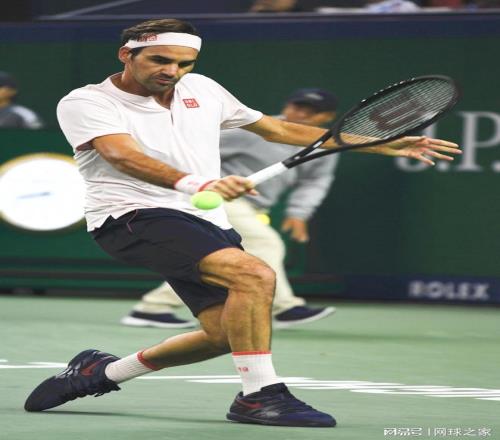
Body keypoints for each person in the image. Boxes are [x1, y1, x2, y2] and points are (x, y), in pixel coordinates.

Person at [23, 18, 460, 427]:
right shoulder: (87, 101)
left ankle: (101, 372)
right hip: (132, 215)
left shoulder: (203, 89)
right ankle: (259, 396)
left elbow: (278, 130)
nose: (172, 71)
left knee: (223, 335)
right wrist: (197, 182)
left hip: (203, 218)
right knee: (255, 274)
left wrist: (380, 143)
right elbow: (121, 155)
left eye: (184, 63)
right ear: (126, 54)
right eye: (160, 60)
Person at [121, 88, 339, 330]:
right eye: (298, 107)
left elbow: (314, 181)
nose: (301, 114)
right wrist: (197, 183)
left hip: (251, 206)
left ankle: (152, 308)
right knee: (266, 244)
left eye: (312, 111)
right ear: (287, 105)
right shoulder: (256, 131)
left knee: (215, 258)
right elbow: (194, 150)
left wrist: (298, 213)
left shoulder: (324, 144)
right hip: (218, 198)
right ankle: (285, 307)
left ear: (327, 117)